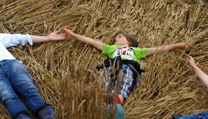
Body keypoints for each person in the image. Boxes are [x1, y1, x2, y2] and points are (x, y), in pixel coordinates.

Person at [62, 28, 191, 105]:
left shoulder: (136, 51)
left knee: (125, 81)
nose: (115, 39)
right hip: (110, 66)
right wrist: (73, 34)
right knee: (103, 79)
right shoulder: (111, 48)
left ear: (129, 41)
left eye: (119, 37)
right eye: (115, 38)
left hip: (128, 67)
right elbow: (91, 41)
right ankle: (100, 97)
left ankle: (118, 99)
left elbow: (157, 49)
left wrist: (176, 45)